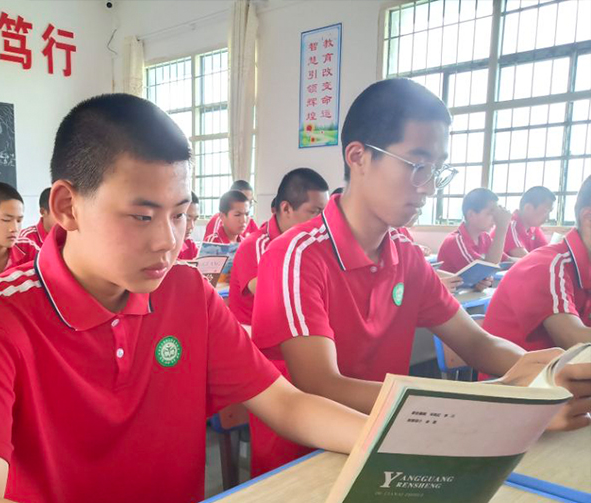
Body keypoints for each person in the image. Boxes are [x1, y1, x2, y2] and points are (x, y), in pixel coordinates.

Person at [0, 93, 368, 503]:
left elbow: (284, 403)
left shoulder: (187, 293)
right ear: (67, 207)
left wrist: (390, 442)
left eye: (180, 215)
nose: (168, 241)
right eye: (142, 217)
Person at [250, 78, 591, 476]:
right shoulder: (297, 256)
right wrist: (492, 399)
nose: (429, 188)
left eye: (437, 170)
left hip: (393, 446)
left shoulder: (406, 255)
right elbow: (323, 384)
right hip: (304, 463)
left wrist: (546, 377)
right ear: (358, 157)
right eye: (417, 166)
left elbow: (476, 342)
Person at [483, 176, 591, 353]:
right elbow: (574, 340)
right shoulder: (547, 266)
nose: (548, 217)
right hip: (513, 370)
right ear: (588, 217)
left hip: (558, 367)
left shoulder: (536, 233)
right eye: (545, 211)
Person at [229, 168, 328, 325]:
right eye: (315, 212)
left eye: (324, 214)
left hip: (287, 327)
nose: (321, 222)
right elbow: (275, 298)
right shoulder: (255, 245)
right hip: (252, 332)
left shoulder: (306, 244)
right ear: (286, 208)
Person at [436, 188, 512, 291]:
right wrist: (502, 228)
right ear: (471, 215)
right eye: (491, 213)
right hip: (452, 296)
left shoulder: (484, 238)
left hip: (468, 295)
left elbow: (507, 261)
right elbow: (488, 267)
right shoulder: (456, 241)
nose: (495, 219)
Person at [503, 185, 554, 258]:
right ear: (528, 208)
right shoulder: (508, 225)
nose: (548, 217)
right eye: (545, 211)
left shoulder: (534, 228)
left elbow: (547, 253)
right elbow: (526, 260)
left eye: (550, 212)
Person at [177, 191, 200, 260]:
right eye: (187, 219)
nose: (191, 226)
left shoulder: (190, 246)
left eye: (195, 219)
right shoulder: (160, 249)